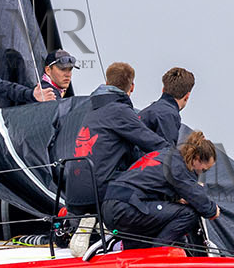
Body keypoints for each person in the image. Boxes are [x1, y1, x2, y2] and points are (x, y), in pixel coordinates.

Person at [63, 61, 162, 221]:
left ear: (107, 83)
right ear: (132, 87)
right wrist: (183, 159)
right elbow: (157, 145)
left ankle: (86, 224)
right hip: (101, 193)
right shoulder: (119, 111)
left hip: (73, 193)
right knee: (151, 193)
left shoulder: (91, 110)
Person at [102, 130, 221, 250]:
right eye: (204, 170)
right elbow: (202, 204)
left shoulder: (166, 155)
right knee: (188, 214)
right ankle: (159, 253)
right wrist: (213, 209)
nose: (201, 173)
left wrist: (175, 199)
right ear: (197, 158)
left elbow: (151, 185)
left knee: (167, 222)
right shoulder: (179, 166)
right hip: (125, 208)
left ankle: (122, 247)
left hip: (110, 206)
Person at [138, 67, 195, 147]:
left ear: (163, 89)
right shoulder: (169, 115)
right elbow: (165, 154)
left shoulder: (147, 112)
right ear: (187, 96)